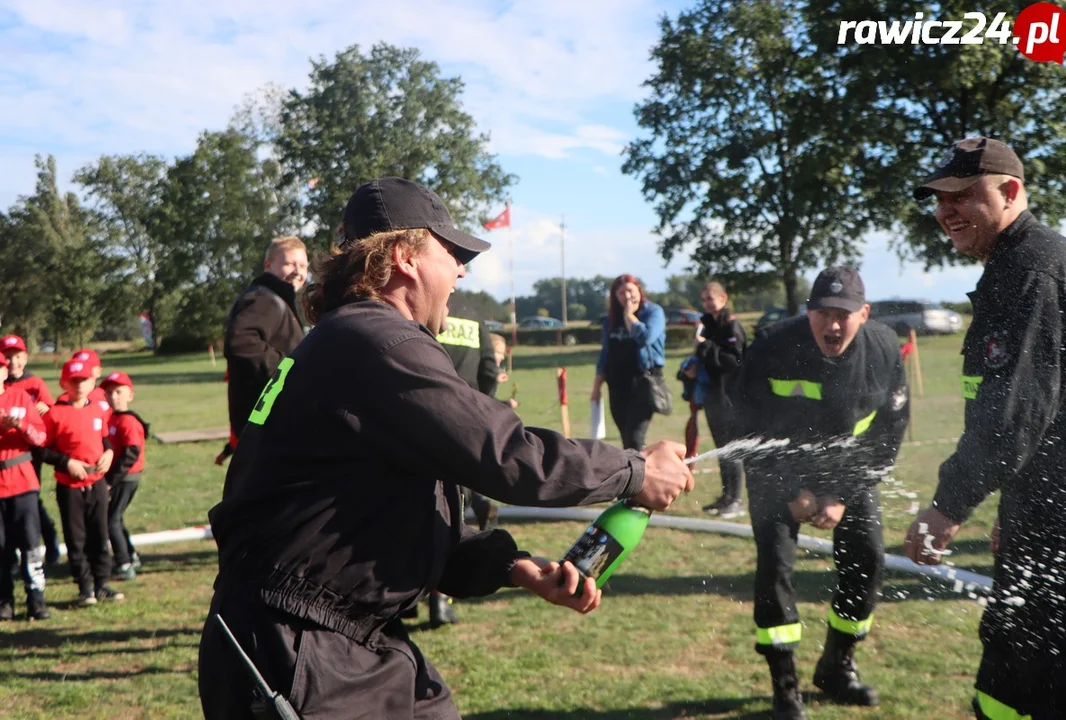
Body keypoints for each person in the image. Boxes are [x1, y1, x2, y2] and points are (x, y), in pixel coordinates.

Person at [197, 176, 694, 720]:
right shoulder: (378, 341)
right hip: (297, 650)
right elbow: (509, 455)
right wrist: (637, 471)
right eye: (452, 253)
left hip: (338, 640)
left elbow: (374, 516)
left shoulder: (350, 338)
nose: (461, 271)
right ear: (404, 256)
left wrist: (510, 566)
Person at [903, 137, 1066, 720]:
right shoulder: (1018, 265)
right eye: (938, 199)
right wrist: (1014, 510)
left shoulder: (1033, 270)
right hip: (1044, 511)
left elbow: (1017, 415)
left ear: (1010, 192)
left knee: (1049, 674)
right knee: (1010, 658)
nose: (945, 210)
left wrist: (949, 505)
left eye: (961, 195)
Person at [732, 267, 909, 720]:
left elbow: (888, 434)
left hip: (848, 472)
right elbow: (743, 424)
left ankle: (837, 666)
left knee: (867, 559)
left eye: (843, 315)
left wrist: (842, 495)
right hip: (777, 471)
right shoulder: (772, 345)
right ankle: (784, 686)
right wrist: (792, 489)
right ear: (806, 312)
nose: (832, 325)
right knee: (775, 567)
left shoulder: (886, 349)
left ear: (864, 314)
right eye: (822, 313)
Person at [431, 309, 502, 625]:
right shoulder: (475, 317)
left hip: (423, 422)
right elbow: (489, 370)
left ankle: (417, 595)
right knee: (452, 513)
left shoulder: (420, 308)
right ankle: (440, 601)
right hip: (465, 427)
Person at [39, 359, 124, 606]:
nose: (79, 385)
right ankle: (84, 588)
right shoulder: (55, 413)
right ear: (63, 383)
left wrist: (108, 453)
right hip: (70, 485)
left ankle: (102, 583)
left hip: (97, 482)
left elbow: (105, 438)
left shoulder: (98, 409)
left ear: (92, 382)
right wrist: (67, 463)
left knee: (100, 533)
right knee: (76, 538)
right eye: (73, 381)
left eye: (83, 380)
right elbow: (42, 450)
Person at [222, 236, 308, 449]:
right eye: (289, 263)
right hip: (267, 422)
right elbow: (241, 342)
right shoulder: (265, 299)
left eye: (303, 265)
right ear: (268, 265)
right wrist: (289, 371)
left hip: (270, 420)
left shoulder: (275, 298)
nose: (298, 272)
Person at [2, 334, 61, 565]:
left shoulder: (34, 383)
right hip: (9, 451)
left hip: (32, 449)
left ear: (25, 357)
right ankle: (13, 553)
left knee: (29, 501)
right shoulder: (3, 384)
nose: (13, 362)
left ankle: (49, 541)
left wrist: (41, 408)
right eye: (8, 357)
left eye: (17, 356)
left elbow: (50, 408)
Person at [590, 274, 667, 450]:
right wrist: (596, 388)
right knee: (626, 438)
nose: (626, 296)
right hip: (617, 384)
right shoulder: (611, 320)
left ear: (639, 290)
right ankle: (634, 476)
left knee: (635, 437)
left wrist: (629, 315)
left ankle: (642, 475)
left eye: (630, 291)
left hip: (643, 382)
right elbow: (605, 353)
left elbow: (645, 338)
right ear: (614, 296)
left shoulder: (653, 312)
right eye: (621, 293)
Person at [0, 351, 50, 621]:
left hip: (22, 482)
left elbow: (41, 437)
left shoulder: (20, 398)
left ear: (5, 372)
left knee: (30, 544)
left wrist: (19, 424)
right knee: (1, 547)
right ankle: (4, 602)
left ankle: (37, 601)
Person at [696, 281, 748, 518]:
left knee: (732, 448)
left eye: (711, 298)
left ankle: (736, 499)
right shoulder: (706, 324)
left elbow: (734, 361)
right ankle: (725, 496)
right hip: (712, 395)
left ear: (723, 298)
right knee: (721, 448)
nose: (707, 303)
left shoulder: (731, 325)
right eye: (704, 299)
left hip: (730, 396)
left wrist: (706, 348)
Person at [100, 371, 149, 581]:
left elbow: (131, 452)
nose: (113, 396)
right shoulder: (112, 418)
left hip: (127, 477)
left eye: (119, 392)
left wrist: (111, 481)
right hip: (120, 476)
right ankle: (130, 555)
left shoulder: (128, 421)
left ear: (130, 395)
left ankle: (124, 563)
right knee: (115, 517)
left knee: (111, 520)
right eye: (109, 392)